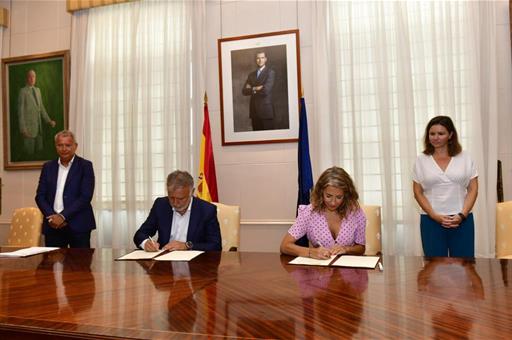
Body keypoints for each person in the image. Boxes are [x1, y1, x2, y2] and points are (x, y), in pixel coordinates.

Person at [413, 115, 478, 257]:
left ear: (450, 135)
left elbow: (473, 189)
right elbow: (417, 192)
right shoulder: (421, 160)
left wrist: (462, 215)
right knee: (434, 269)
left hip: (462, 221)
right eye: (432, 133)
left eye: (441, 133)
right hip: (431, 221)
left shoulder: (465, 157)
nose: (435, 137)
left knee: (464, 267)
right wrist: (434, 215)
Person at [280, 166, 366, 259]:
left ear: (346, 195)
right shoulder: (309, 213)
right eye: (328, 196)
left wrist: (346, 249)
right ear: (321, 192)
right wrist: (311, 252)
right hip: (320, 271)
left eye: (339, 197)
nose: (333, 202)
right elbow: (284, 246)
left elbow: (361, 248)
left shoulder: (356, 213)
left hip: (348, 271)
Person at [133, 170, 222, 252]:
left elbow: (215, 245)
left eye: (181, 198)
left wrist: (187, 245)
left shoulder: (206, 210)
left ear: (192, 192)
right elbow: (141, 233)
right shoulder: (161, 205)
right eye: (171, 198)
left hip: (195, 264)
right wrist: (145, 243)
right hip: (164, 262)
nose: (175, 203)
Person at [35, 130, 96, 248]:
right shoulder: (48, 167)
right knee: (53, 264)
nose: (64, 149)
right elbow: (40, 196)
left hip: (79, 225)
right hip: (53, 226)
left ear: (75, 146)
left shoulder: (85, 166)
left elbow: (85, 196)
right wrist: (52, 217)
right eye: (60, 145)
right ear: (56, 146)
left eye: (68, 145)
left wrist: (62, 216)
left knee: (79, 265)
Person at [18, 69, 56, 157]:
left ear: (35, 78)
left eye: (34, 76)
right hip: (28, 130)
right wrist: (23, 129)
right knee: (29, 154)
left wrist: (49, 121)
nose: (32, 78)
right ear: (27, 78)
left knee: (39, 153)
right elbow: (20, 112)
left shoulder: (38, 90)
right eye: (30, 76)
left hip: (39, 128)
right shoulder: (23, 92)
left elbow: (41, 108)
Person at [242, 51, 276, 131]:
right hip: (254, 112)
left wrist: (251, 89)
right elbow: (244, 91)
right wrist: (255, 88)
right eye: (258, 58)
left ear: (266, 59)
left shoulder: (270, 73)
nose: (260, 60)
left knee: (268, 139)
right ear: (255, 60)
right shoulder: (251, 75)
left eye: (262, 58)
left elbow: (266, 90)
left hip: (266, 112)